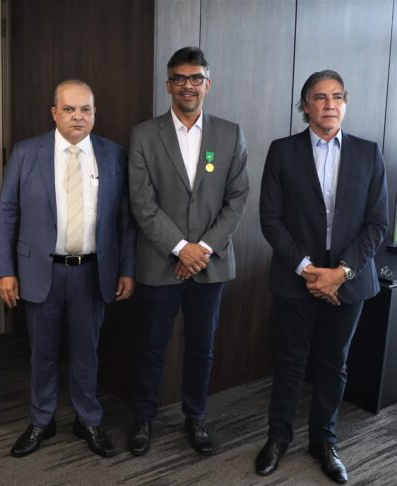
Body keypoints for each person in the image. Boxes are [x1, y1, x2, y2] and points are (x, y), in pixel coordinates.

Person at [255, 70, 388, 483]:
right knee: (290, 362)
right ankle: (277, 438)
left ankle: (324, 441)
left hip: (349, 279)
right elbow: (270, 219)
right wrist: (310, 271)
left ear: (345, 103)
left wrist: (341, 273)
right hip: (297, 277)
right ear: (305, 105)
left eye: (337, 97)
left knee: (335, 364)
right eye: (320, 97)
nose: (330, 104)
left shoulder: (368, 153)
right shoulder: (282, 151)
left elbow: (378, 223)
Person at [0, 79, 136, 458]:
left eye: (85, 109)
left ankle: (88, 418)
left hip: (93, 271)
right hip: (42, 271)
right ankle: (42, 419)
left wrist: (127, 268)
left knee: (87, 352)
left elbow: (126, 220)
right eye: (69, 109)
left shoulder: (114, 155)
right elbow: (7, 213)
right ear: (54, 112)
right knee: (42, 352)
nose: (77, 117)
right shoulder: (27, 153)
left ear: (94, 113)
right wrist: (5, 270)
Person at [127, 46, 249, 456]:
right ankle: (143, 418)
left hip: (210, 266)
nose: (187, 85)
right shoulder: (144, 134)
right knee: (150, 348)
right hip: (159, 263)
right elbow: (142, 203)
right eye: (179, 78)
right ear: (168, 85)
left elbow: (238, 198)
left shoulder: (230, 134)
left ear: (207, 84)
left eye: (196, 78)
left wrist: (203, 249)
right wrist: (181, 249)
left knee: (202, 347)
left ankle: (195, 416)